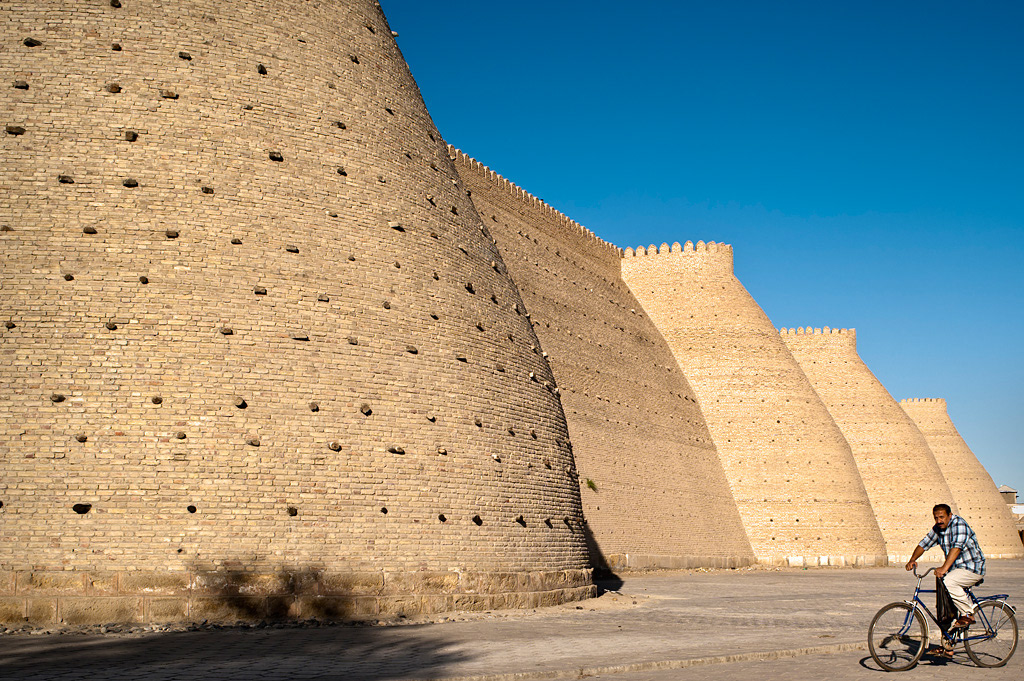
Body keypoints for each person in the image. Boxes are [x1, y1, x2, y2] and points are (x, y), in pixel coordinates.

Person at [906, 503, 986, 629]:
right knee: (944, 608)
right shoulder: (938, 528)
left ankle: (968, 614)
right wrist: (912, 559)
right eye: (936, 518)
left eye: (942, 517)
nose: (939, 521)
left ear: (950, 515)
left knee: (948, 581)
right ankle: (947, 647)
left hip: (972, 568)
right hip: (955, 570)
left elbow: (957, 548)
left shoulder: (959, 525)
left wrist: (944, 568)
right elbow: (924, 543)